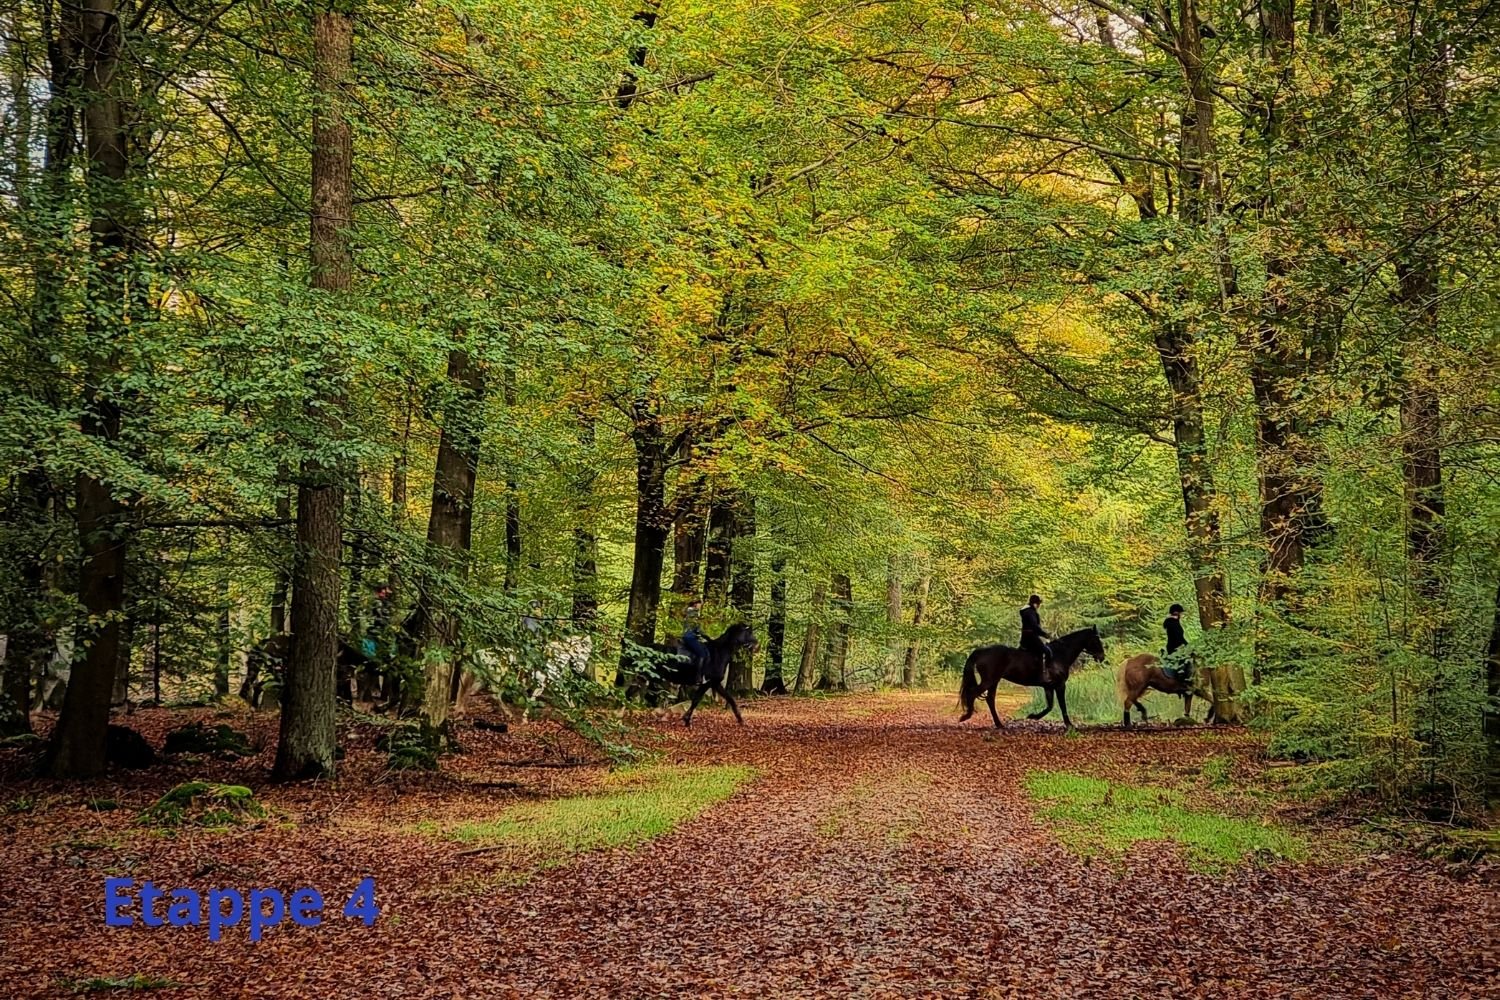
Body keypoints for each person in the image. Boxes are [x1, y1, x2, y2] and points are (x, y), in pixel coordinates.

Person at [1019, 594, 1052, 673]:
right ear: (1035, 603)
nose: (1039, 606)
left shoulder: (1026, 611)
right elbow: (1034, 626)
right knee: (1047, 651)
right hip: (1031, 638)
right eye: (1038, 604)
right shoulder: (1030, 612)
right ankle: (1046, 671)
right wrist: (1045, 634)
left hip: (1026, 637)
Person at [681, 599, 710, 681]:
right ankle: (698, 676)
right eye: (700, 604)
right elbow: (697, 628)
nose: (701, 605)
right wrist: (706, 636)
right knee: (702, 654)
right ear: (695, 604)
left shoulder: (689, 612)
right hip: (690, 637)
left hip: (689, 636)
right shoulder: (693, 613)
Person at [1162, 603, 1190, 681]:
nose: (1182, 615)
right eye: (1181, 613)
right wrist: (1186, 645)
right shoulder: (1172, 623)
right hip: (1174, 647)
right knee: (1184, 659)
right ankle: (1180, 676)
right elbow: (1178, 637)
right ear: (1176, 613)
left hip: (1176, 645)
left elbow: (1180, 637)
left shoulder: (1173, 622)